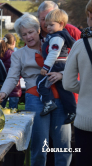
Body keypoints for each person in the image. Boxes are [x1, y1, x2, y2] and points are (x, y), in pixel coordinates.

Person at [0, 13, 71, 166]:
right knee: (39, 145)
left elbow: (71, 66)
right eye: (24, 34)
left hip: (60, 94)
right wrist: (3, 93)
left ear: (38, 30)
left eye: (31, 32)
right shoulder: (18, 55)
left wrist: (61, 74)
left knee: (63, 145)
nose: (28, 36)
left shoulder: (55, 43)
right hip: (35, 98)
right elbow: (12, 77)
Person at [63, 1, 92, 165]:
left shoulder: (81, 45)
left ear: (90, 16)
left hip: (86, 122)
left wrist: (86, 89)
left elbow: (68, 83)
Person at [36, 9, 76, 124]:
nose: (48, 27)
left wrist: (46, 67)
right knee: (65, 90)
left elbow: (54, 53)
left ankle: (48, 103)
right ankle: (72, 111)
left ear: (61, 24)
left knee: (40, 83)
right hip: (62, 65)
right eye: (47, 25)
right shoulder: (56, 36)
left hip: (55, 64)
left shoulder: (56, 37)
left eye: (51, 25)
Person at [0, 33, 22, 108]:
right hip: (14, 88)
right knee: (13, 113)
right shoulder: (15, 55)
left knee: (0, 110)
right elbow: (19, 73)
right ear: (14, 43)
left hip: (1, 87)